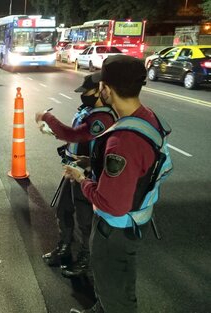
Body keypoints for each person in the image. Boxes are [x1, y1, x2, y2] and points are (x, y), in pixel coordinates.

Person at [65, 55, 171, 313]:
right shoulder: (147, 117)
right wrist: (93, 162)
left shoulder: (123, 141)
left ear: (106, 90)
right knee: (114, 286)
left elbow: (112, 204)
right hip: (137, 220)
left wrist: (82, 178)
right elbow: (140, 168)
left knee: (117, 297)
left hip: (115, 231)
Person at [35, 73, 117, 277]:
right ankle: (64, 248)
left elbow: (74, 134)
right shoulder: (88, 110)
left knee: (85, 219)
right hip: (73, 169)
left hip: (88, 174)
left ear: (100, 90)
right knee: (63, 210)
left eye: (87, 91)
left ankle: (85, 258)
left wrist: (47, 117)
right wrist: (55, 134)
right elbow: (76, 137)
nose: (84, 95)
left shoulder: (104, 117)